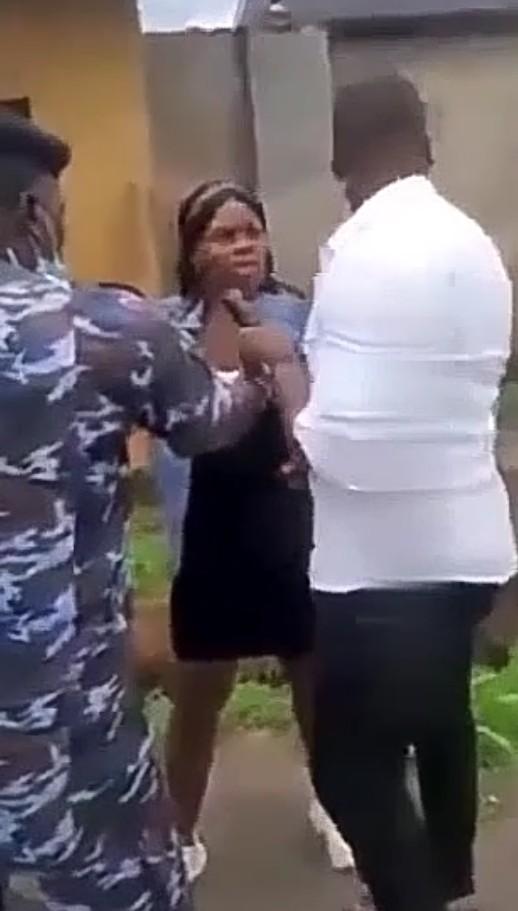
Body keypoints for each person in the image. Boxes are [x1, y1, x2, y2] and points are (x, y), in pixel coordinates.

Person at [0, 115, 290, 911]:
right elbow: (208, 422)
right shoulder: (104, 328)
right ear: (33, 213)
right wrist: (262, 373)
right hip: (65, 715)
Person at [296, 75, 518, 911]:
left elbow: (344, 442)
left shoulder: (367, 250)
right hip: (465, 546)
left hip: (380, 568)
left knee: (349, 769)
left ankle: (414, 896)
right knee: (435, 717)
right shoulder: (471, 243)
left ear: (342, 154)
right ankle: (446, 880)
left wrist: (279, 374)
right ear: (423, 143)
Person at [152, 181, 325, 882]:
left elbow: (316, 417)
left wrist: (280, 360)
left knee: (313, 678)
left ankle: (335, 804)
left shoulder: (297, 316)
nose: (244, 245)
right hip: (206, 530)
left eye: (252, 231)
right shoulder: (165, 328)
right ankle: (178, 834)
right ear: (193, 250)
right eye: (224, 235)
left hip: (288, 522)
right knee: (197, 694)